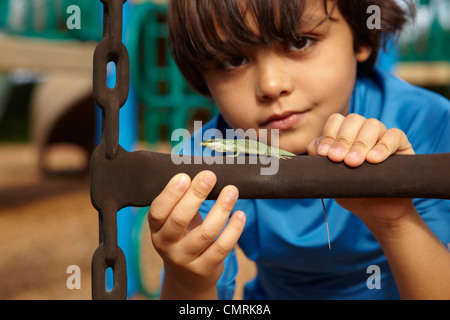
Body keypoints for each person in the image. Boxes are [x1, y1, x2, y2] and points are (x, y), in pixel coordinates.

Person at [148, 0, 450, 299]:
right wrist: (189, 280)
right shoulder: (200, 164)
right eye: (233, 61)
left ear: (361, 37)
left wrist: (396, 220)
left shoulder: (425, 123)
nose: (271, 84)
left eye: (300, 41)